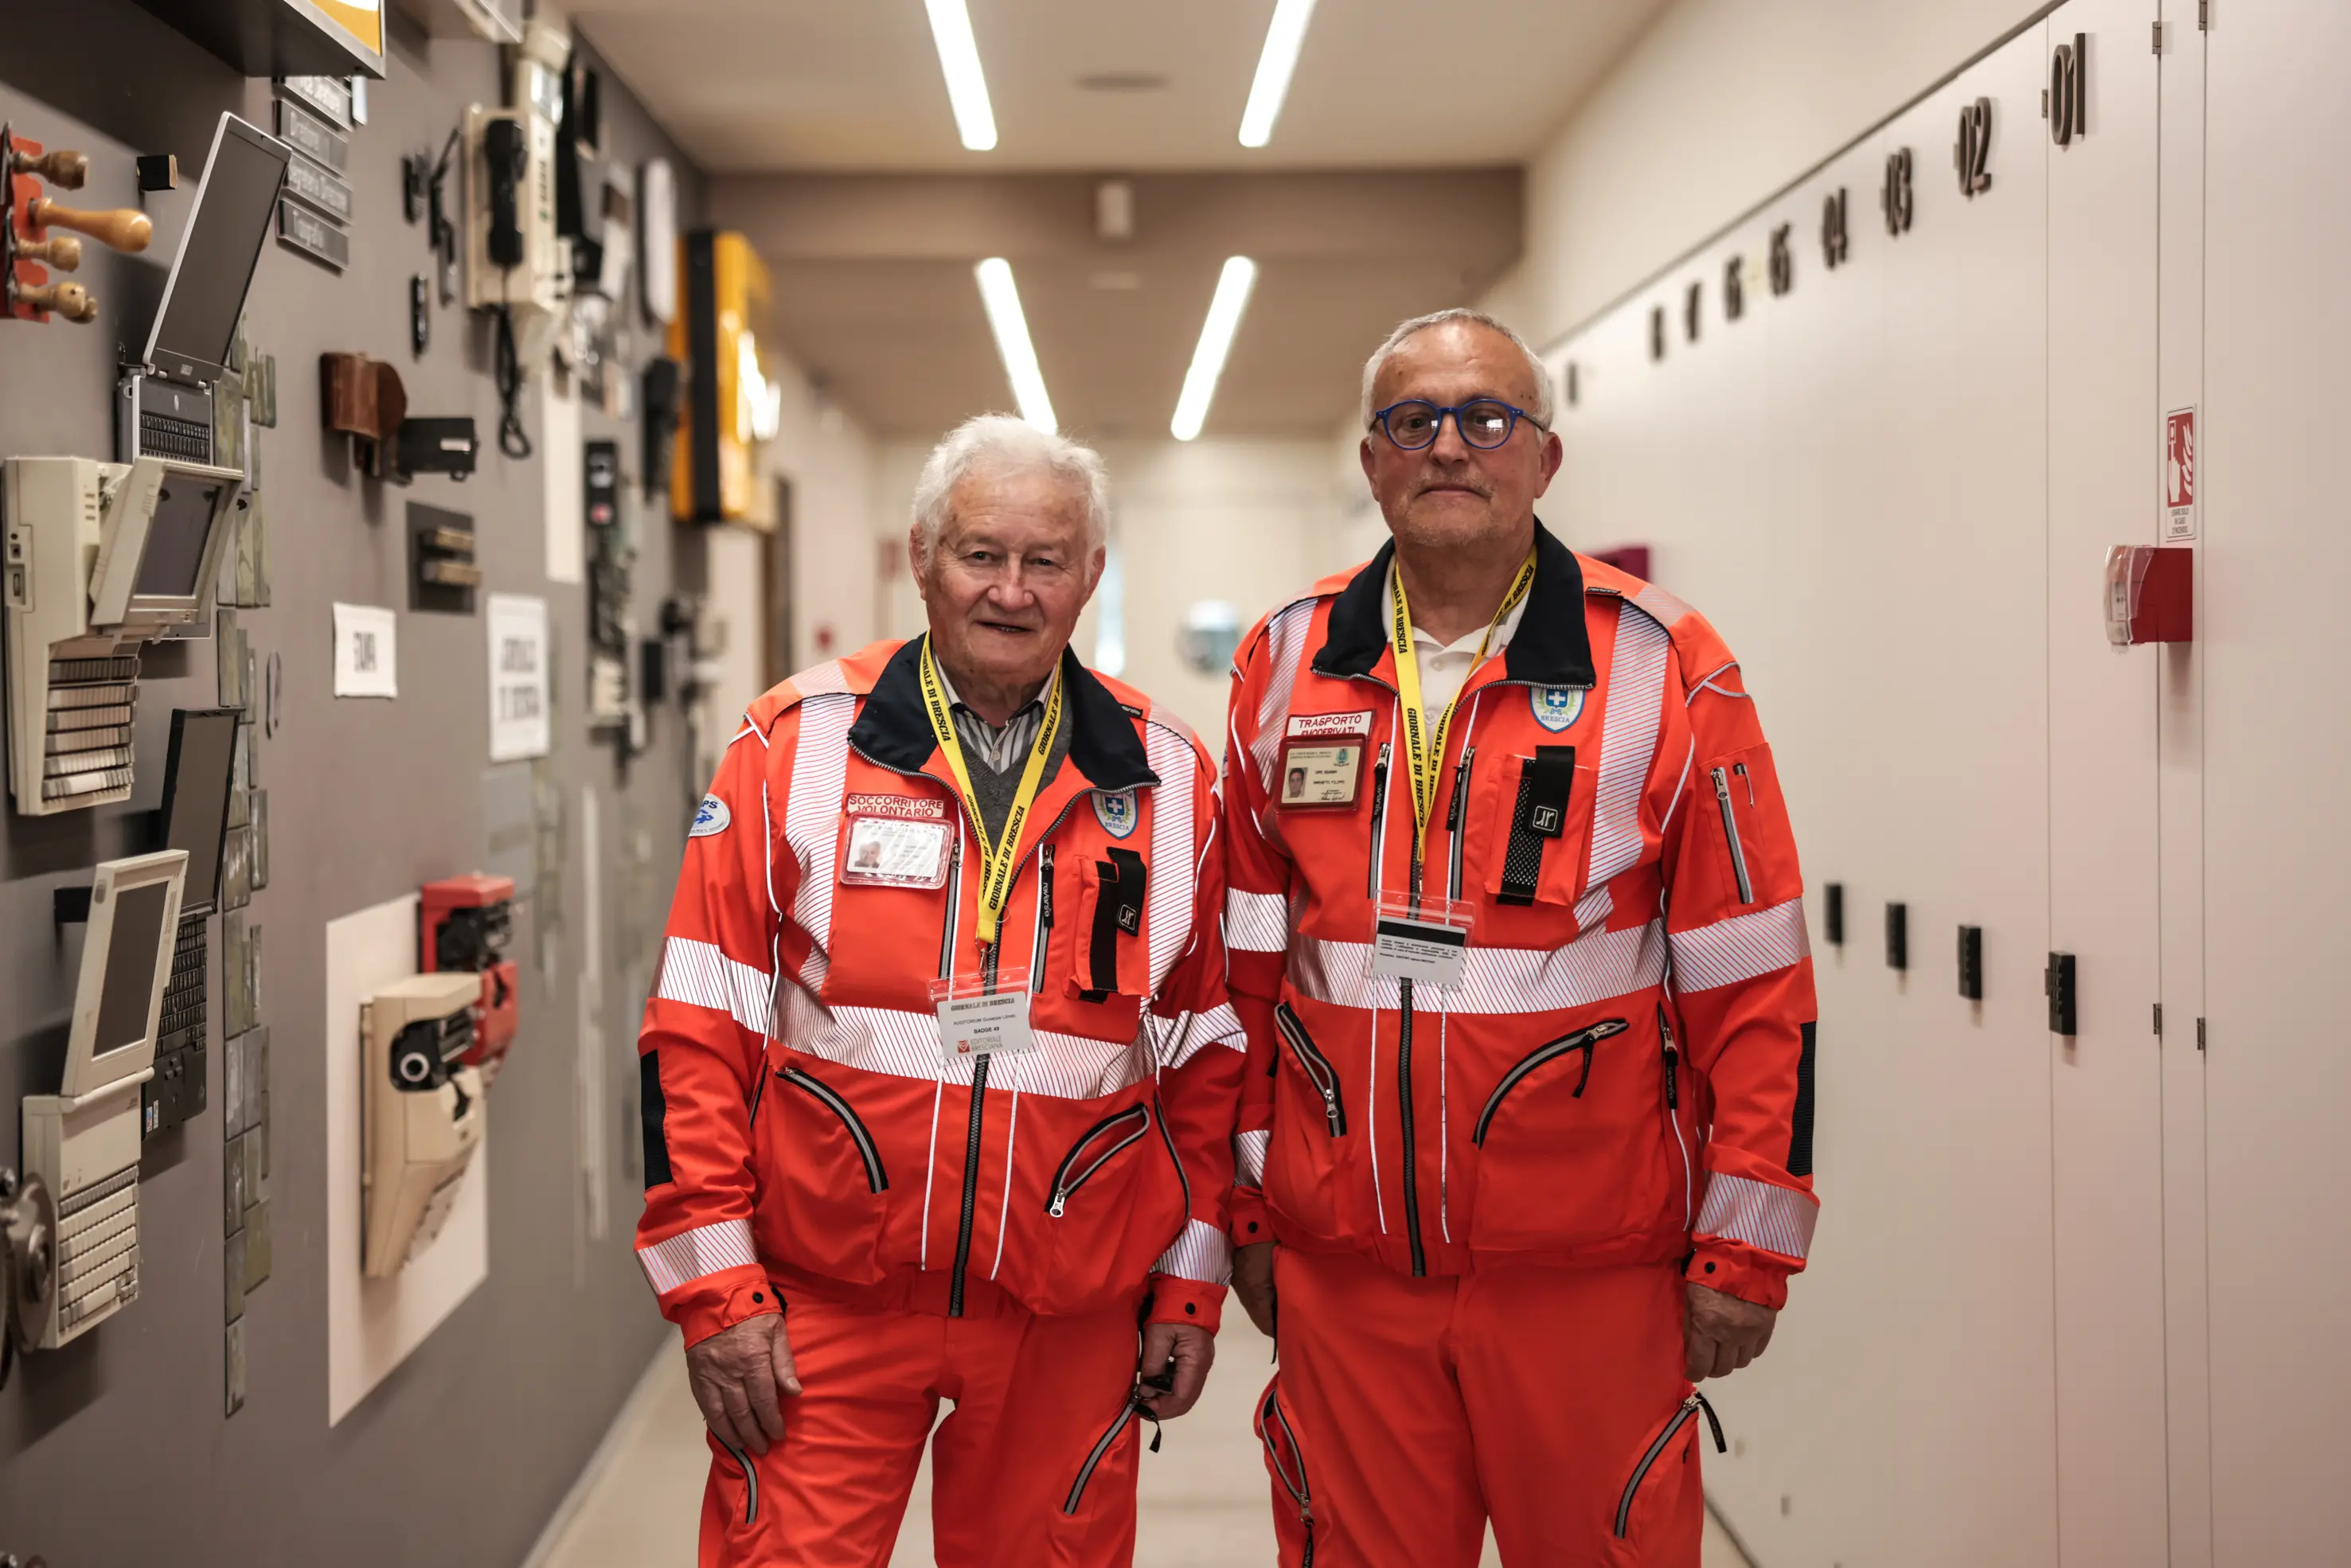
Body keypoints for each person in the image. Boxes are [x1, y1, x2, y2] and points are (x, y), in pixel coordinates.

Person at [1222, 310, 1818, 1566]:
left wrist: (1749, 1238)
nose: (1450, 446)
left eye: (1487, 418)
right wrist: (1249, 1209)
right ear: (1373, 462)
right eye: (1412, 421)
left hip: (1589, 1278)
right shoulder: (1285, 662)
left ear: (1544, 460)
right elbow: (1244, 978)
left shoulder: (1663, 665)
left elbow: (1754, 980)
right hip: (1351, 1274)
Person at [633, 415, 1244, 1567]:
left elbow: (1211, 1055)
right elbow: (693, 1032)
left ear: (1091, 575)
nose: (1010, 591)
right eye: (980, 554)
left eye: (1045, 559)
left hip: (1066, 1316)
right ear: (922, 557)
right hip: (822, 1304)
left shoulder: (1170, 778)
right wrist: (715, 1289)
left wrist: (1191, 1281)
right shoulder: (796, 744)